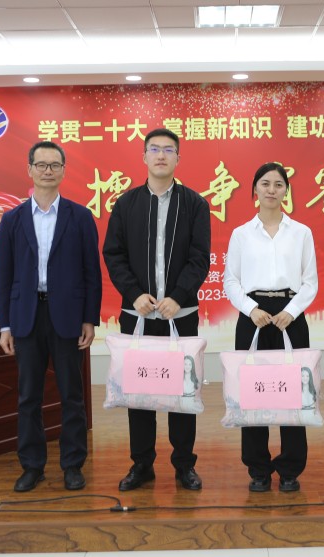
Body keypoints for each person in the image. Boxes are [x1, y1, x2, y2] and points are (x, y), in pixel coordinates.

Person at [103, 128, 210, 491]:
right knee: (139, 396)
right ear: (144, 157)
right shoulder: (126, 204)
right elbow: (113, 254)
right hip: (139, 317)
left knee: (182, 393)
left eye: (168, 150)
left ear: (178, 158)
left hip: (180, 315)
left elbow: (199, 258)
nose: (161, 155)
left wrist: (178, 296)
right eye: (154, 149)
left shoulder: (194, 204)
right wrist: (133, 294)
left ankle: (184, 465)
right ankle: (141, 464)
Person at [0, 140, 101, 493]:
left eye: (54, 165)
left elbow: (91, 273)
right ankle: (32, 466)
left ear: (63, 171)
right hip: (26, 317)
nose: (47, 171)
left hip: (67, 317)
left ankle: (72, 465)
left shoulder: (80, 217)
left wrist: (89, 319)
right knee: (29, 397)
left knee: (72, 395)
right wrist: (5, 325)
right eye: (41, 165)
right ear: (29, 169)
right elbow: (5, 276)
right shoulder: (12, 219)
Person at [224, 162, 318, 493]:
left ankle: (291, 468)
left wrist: (291, 312)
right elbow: (231, 281)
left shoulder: (301, 232)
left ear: (286, 191)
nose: (271, 190)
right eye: (265, 184)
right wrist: (251, 310)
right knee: (253, 395)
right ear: (255, 190)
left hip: (291, 317)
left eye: (278, 184)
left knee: (293, 395)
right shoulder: (241, 234)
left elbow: (310, 281)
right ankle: (258, 469)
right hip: (254, 317)